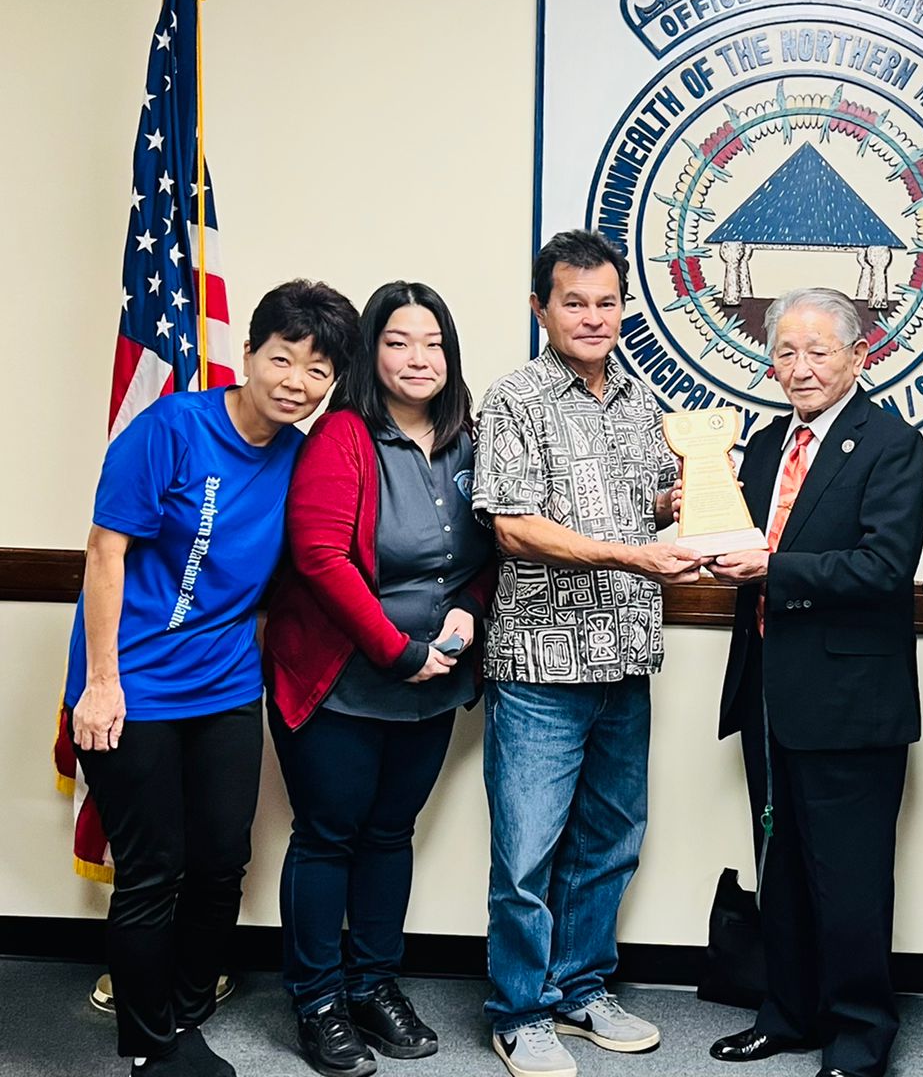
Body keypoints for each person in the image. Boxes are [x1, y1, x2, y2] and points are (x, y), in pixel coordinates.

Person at [65, 280, 359, 1077]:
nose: (296, 381)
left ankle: (185, 1009)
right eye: (283, 358)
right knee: (153, 867)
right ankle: (150, 1046)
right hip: (133, 685)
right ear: (252, 354)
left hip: (226, 686)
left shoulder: (301, 456)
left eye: (317, 371)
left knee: (223, 859)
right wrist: (100, 684)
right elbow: (106, 552)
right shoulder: (170, 429)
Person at [473, 229, 700, 1077]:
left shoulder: (644, 401)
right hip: (541, 667)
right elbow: (513, 526)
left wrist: (683, 501)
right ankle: (518, 1011)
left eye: (607, 302)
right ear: (541, 307)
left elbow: (648, 507)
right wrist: (635, 554)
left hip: (625, 659)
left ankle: (580, 988)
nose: (593, 317)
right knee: (527, 851)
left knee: (610, 840)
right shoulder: (514, 399)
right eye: (574, 301)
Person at [263, 282, 494, 1077]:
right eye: (398, 341)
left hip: (435, 678)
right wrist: (398, 650)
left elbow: (485, 552)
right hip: (343, 679)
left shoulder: (470, 439)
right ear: (371, 352)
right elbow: (321, 560)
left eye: (432, 342)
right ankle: (318, 1000)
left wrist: (465, 616)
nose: (417, 358)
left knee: (390, 835)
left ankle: (373, 984)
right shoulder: (342, 437)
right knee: (329, 836)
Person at [707, 286, 923, 1077]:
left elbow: (883, 565)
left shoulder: (891, 444)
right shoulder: (766, 445)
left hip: (850, 701)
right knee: (782, 868)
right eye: (785, 353)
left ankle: (861, 1036)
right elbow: (741, 541)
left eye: (818, 351)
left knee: (850, 878)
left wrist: (771, 569)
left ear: (857, 356)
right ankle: (788, 1013)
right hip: (769, 691)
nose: (799, 368)